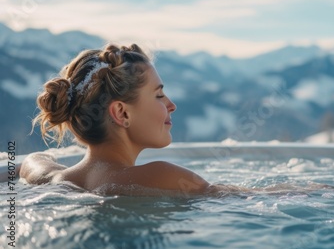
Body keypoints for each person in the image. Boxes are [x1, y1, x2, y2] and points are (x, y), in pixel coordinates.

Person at [20, 44, 212, 196]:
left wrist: (46, 158)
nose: (172, 105)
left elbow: (32, 161)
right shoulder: (163, 176)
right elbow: (236, 200)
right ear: (122, 113)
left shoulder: (51, 177)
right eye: (159, 95)